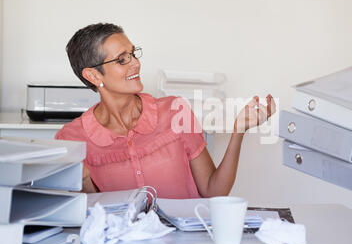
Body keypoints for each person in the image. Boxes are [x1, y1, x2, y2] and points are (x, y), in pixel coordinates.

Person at [56, 22, 276, 198]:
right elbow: (91, 220)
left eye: (133, 54)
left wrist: (239, 131)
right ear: (94, 75)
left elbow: (214, 191)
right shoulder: (72, 138)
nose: (136, 64)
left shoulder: (175, 110)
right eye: (122, 59)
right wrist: (84, 183)